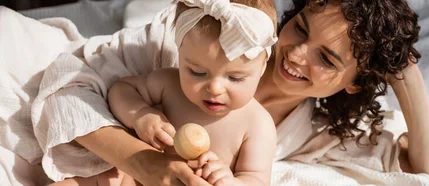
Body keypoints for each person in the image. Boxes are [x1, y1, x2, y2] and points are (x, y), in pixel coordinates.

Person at [0, 0, 429, 185]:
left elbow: (428, 171)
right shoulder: (201, 39)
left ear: (354, 80)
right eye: (300, 30)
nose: (295, 55)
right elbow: (72, 89)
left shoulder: (317, 131)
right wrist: (145, 159)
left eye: (326, 60)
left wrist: (399, 67)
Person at [49, 0, 278, 185]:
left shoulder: (257, 124)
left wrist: (228, 181)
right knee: (94, 179)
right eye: (197, 72)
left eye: (235, 78)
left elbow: (256, 178)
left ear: (262, 67)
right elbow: (122, 89)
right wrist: (140, 114)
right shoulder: (169, 83)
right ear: (180, 53)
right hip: (133, 178)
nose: (215, 88)